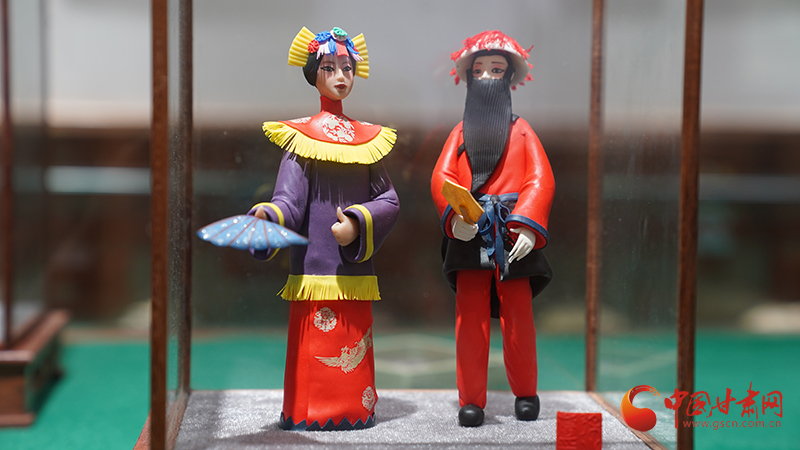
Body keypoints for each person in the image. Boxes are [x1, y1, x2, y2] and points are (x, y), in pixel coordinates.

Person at [249, 26, 399, 431]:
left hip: (353, 270)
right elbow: (289, 201)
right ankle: (309, 412)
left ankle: (356, 409)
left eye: (347, 68)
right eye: (329, 67)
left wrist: (357, 222)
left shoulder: (368, 141)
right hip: (313, 270)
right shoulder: (301, 139)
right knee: (314, 349)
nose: (340, 76)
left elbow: (389, 200)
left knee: (352, 342)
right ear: (313, 73)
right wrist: (269, 217)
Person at [430, 30, 555, 427]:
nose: (486, 77)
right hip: (470, 230)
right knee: (470, 318)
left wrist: (527, 226)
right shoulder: (459, 133)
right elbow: (441, 177)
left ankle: (526, 392)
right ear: (468, 78)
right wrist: (456, 219)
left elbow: (540, 179)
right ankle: (471, 399)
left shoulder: (523, 131)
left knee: (519, 316)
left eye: (496, 70)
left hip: (513, 233)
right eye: (479, 70)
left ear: (509, 77)